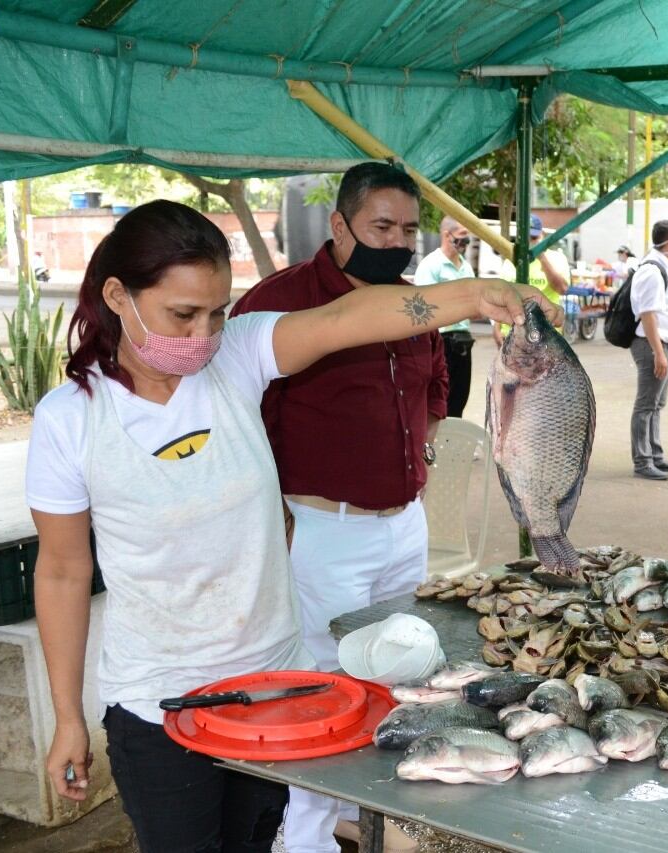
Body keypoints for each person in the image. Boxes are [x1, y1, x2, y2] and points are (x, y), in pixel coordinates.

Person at [28, 199, 562, 853]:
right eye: (182, 314)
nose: (203, 333)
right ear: (118, 296)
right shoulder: (71, 419)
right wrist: (67, 718)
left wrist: (478, 295)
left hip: (276, 685)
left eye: (217, 312)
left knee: (258, 840)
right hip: (158, 700)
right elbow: (63, 570)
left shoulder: (235, 357)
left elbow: (346, 318)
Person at [230, 164, 561, 853]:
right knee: (322, 686)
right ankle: (306, 837)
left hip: (403, 525)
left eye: (409, 229)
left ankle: (364, 812)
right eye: (381, 226)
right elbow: (236, 418)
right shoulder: (281, 303)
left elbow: (436, 382)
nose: (399, 241)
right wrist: (272, 511)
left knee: (400, 674)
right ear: (339, 225)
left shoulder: (417, 304)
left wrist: (420, 444)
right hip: (317, 529)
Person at [629, 219, 668, 481]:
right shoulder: (652, 270)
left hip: (666, 345)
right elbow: (648, 314)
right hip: (653, 346)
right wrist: (659, 354)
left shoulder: (665, 265)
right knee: (646, 404)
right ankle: (642, 461)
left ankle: (655, 454)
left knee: (656, 404)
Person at [414, 215, 475, 417]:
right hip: (441, 340)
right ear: (447, 235)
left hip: (463, 341)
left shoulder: (465, 267)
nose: (466, 240)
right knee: (439, 401)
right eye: (462, 235)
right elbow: (423, 307)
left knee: (459, 399)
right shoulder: (431, 265)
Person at [493, 213, 571, 346]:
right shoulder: (511, 261)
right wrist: (496, 328)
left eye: (534, 238)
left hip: (544, 335)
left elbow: (562, 288)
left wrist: (542, 258)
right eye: (526, 238)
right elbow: (502, 297)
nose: (530, 242)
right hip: (512, 335)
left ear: (542, 236)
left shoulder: (557, 259)